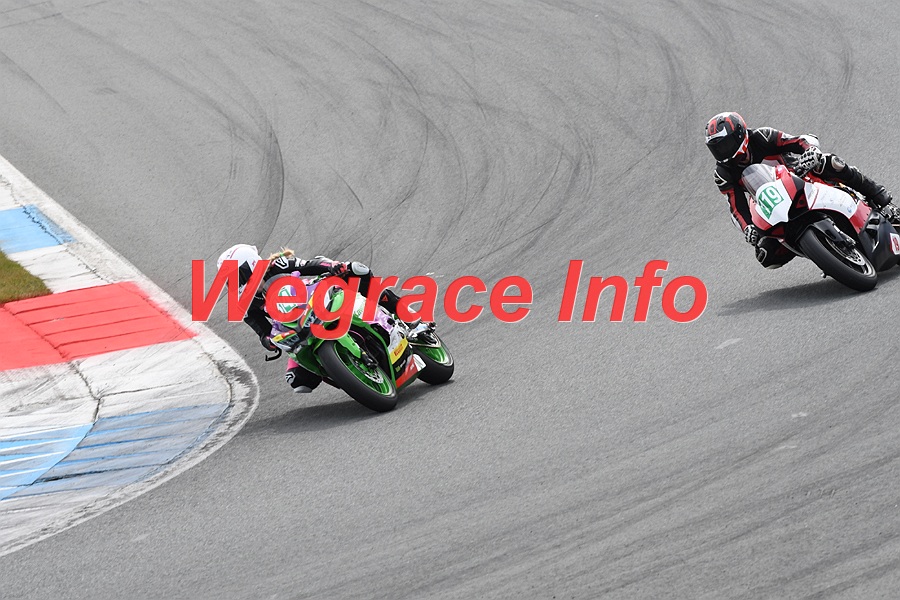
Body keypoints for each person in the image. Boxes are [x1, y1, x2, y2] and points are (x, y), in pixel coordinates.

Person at [216, 244, 429, 394]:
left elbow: (310, 265)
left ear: (251, 265)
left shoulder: (277, 265)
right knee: (298, 381)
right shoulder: (243, 304)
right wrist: (268, 342)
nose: (234, 283)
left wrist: (333, 267)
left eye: (236, 275)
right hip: (295, 328)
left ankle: (411, 320)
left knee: (358, 272)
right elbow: (262, 331)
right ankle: (351, 373)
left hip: (314, 299)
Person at [705, 111, 900, 268]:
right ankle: (823, 251)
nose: (722, 152)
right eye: (717, 148)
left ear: (740, 135)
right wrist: (747, 227)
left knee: (828, 162)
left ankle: (878, 196)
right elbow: (736, 206)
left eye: (725, 144)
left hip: (798, 176)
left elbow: (799, 141)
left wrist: (810, 151)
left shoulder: (762, 136)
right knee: (766, 254)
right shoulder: (723, 173)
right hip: (772, 203)